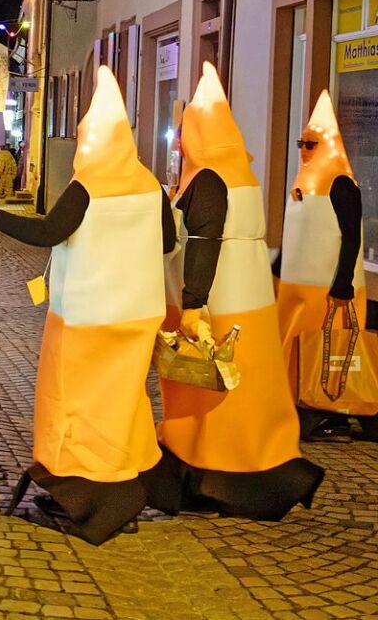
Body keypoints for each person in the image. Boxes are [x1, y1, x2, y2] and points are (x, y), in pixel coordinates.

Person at [0, 68, 174, 545]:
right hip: (138, 313)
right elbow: (165, 241)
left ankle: (84, 499)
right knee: (123, 402)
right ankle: (125, 489)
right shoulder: (150, 185)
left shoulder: (88, 186)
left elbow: (47, 233)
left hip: (87, 314)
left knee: (75, 405)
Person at [152, 62, 324, 520]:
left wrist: (193, 305)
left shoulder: (207, 178)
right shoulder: (240, 174)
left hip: (218, 306)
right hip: (250, 306)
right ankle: (254, 469)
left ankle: (212, 479)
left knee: (211, 399)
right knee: (245, 398)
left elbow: (205, 243)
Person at [274, 91, 378, 442]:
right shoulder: (304, 181)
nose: (304, 149)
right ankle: (300, 405)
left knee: (328, 350)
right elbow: (298, 232)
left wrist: (343, 285)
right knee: (301, 349)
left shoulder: (341, 184)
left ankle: (330, 414)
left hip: (328, 289)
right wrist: (277, 268)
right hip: (298, 290)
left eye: (311, 143)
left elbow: (351, 237)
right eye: (302, 142)